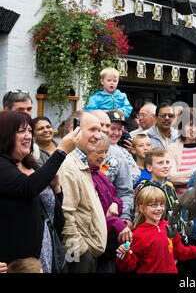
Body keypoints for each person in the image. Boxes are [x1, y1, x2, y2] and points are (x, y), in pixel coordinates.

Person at [0, 111, 78, 268]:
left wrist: (57, 190)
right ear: (5, 135)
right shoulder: (2, 166)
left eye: (29, 130)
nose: (28, 136)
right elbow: (27, 187)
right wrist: (61, 151)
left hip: (46, 255)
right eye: (21, 131)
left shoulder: (33, 166)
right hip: (15, 262)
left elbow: (55, 218)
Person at [58, 112, 107, 273]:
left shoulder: (79, 161)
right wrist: (79, 252)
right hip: (79, 256)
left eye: (99, 130)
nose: (98, 136)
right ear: (74, 130)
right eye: (92, 130)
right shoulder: (67, 164)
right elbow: (65, 214)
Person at [116, 186, 196, 273]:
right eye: (154, 205)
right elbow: (128, 266)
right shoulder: (137, 234)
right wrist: (122, 254)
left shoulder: (169, 226)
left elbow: (180, 252)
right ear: (141, 208)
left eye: (161, 204)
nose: (159, 208)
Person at [87, 132, 133, 273]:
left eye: (106, 152)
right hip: (95, 243)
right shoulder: (86, 177)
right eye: (99, 152)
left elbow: (115, 196)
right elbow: (91, 217)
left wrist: (115, 204)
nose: (103, 156)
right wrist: (117, 223)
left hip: (108, 239)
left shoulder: (100, 174)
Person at [167, 107, 196, 195]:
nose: (193, 129)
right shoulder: (172, 148)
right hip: (180, 201)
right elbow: (171, 177)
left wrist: (182, 176)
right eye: (189, 124)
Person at [134, 148, 178, 222]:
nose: (165, 166)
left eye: (167, 162)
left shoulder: (170, 187)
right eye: (160, 163)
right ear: (149, 167)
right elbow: (139, 217)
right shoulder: (145, 189)